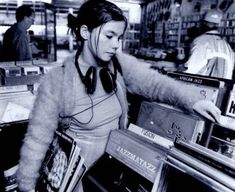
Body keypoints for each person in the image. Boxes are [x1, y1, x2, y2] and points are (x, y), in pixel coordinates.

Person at [16, 1, 221, 191]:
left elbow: (155, 83)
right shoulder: (57, 80)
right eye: (109, 36)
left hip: (114, 164)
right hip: (75, 174)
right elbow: (37, 139)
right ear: (86, 32)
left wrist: (193, 101)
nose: (116, 44)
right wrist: (26, 186)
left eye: (119, 37)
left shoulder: (119, 64)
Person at [184, 9, 234, 79]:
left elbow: (191, 69)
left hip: (201, 87)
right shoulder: (226, 45)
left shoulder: (200, 41)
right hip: (222, 87)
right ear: (217, 25)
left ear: (204, 23)